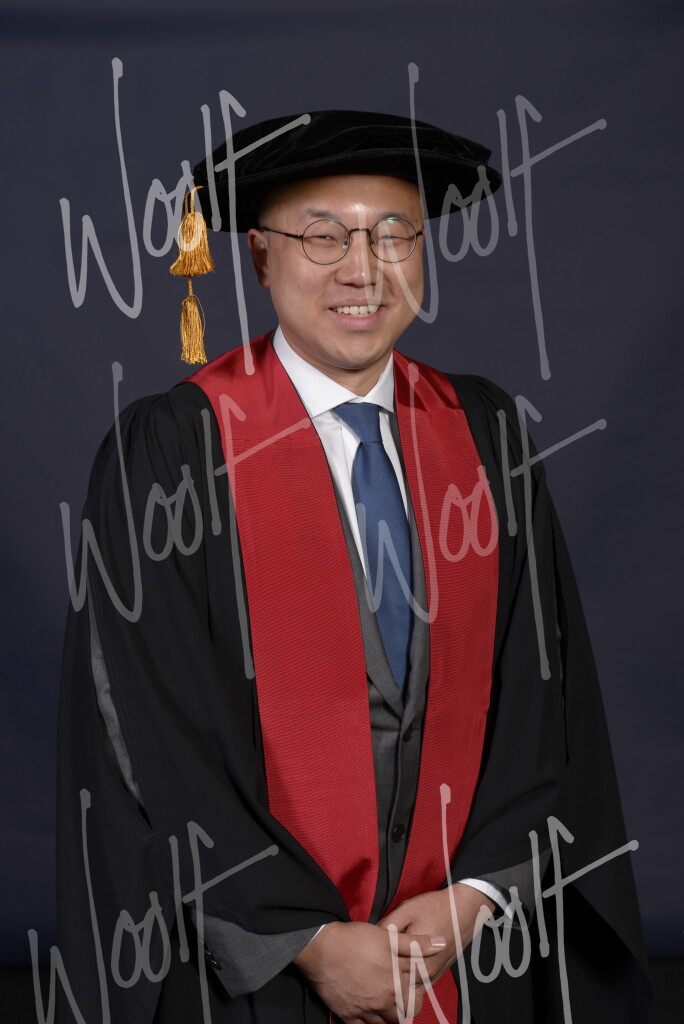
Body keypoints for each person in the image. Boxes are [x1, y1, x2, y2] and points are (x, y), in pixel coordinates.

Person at [57, 110, 651, 1024]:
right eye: (322, 236)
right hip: (257, 971)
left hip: (462, 954)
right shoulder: (174, 450)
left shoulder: (486, 434)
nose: (363, 270)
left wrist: (475, 898)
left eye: (393, 235)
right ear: (260, 256)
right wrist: (308, 942)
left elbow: (545, 694)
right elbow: (149, 728)